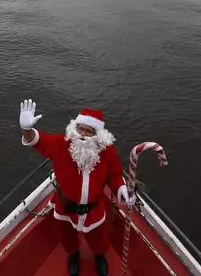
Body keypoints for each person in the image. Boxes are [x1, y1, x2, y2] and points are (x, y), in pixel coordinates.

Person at [19, 99, 135, 276]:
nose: (83, 134)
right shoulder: (60, 144)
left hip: (93, 210)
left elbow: (114, 175)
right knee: (67, 236)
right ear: (74, 127)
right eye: (80, 128)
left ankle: (99, 256)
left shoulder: (107, 151)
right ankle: (73, 255)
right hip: (65, 207)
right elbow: (36, 140)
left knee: (98, 238)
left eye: (89, 131)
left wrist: (122, 190)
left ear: (98, 135)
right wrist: (26, 129)